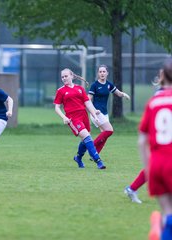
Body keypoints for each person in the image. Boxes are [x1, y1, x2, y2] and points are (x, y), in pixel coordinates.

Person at [138, 58, 172, 240]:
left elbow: (142, 140)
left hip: (158, 164)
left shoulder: (154, 102)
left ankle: (161, 229)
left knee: (168, 211)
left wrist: (149, 169)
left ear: (163, 76)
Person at [124, 69, 165, 204]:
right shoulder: (161, 94)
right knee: (154, 166)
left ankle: (132, 188)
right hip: (162, 137)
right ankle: (132, 188)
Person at [54, 68, 106, 169]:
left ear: (72, 76)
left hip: (83, 115)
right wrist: (64, 117)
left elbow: (87, 103)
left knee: (85, 139)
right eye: (62, 77)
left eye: (66, 76)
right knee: (87, 138)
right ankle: (98, 160)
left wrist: (95, 114)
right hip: (72, 118)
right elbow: (56, 107)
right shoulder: (61, 91)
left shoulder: (80, 88)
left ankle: (78, 158)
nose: (64, 78)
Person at [88, 64, 130, 154]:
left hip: (104, 113)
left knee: (104, 136)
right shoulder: (94, 85)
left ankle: (95, 154)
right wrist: (94, 111)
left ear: (107, 73)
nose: (102, 73)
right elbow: (88, 100)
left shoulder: (108, 84)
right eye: (100, 72)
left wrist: (124, 95)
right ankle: (91, 147)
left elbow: (118, 93)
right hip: (96, 113)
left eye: (104, 71)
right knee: (109, 130)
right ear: (98, 73)